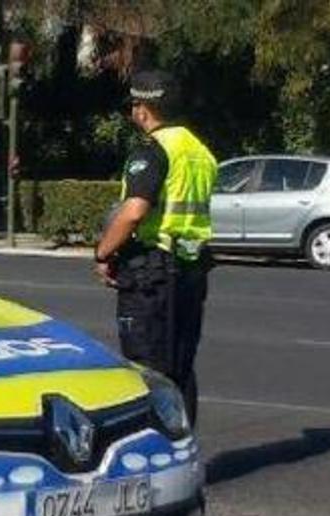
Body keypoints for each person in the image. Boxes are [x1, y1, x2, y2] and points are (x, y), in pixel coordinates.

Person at [94, 70, 217, 425]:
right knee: (180, 366)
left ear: (143, 108)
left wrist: (103, 253)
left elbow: (133, 213)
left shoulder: (153, 149)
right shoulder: (199, 151)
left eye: (134, 104)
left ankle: (153, 457)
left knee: (145, 369)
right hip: (191, 268)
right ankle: (183, 444)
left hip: (153, 273)